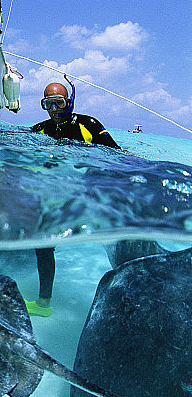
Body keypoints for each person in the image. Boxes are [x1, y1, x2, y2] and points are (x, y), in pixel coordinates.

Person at [26, 79, 121, 316]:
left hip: (90, 195)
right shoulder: (40, 130)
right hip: (60, 198)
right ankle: (43, 304)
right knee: (42, 245)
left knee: (113, 240)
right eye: (48, 105)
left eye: (59, 103)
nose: (55, 111)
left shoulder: (88, 124)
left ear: (69, 101)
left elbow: (118, 156)